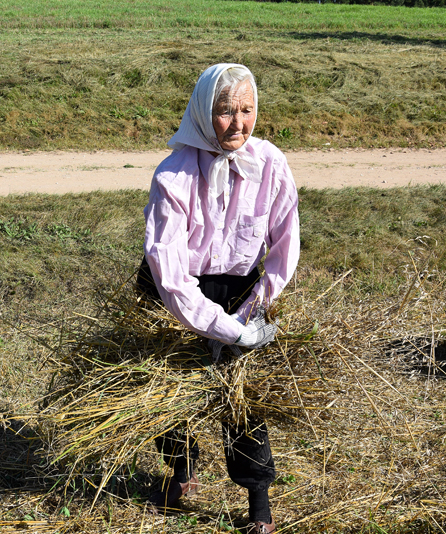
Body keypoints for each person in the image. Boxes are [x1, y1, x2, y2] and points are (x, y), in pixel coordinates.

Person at [137, 63, 300, 534]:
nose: (238, 123)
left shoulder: (270, 162)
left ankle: (258, 504)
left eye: (247, 110)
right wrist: (223, 328)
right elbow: (170, 273)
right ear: (204, 112)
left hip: (242, 292)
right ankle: (181, 473)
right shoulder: (174, 174)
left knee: (243, 399)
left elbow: (285, 245)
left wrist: (254, 313)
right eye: (226, 111)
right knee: (167, 391)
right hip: (176, 293)